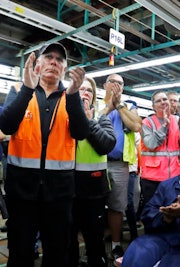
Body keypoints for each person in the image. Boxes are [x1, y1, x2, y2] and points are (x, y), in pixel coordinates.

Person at [0, 42, 89, 267]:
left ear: (65, 68)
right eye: (48, 57)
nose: (53, 61)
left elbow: (80, 132)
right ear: (37, 64)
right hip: (21, 191)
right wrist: (28, 88)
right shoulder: (20, 90)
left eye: (59, 59)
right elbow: (7, 125)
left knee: (57, 252)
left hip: (59, 193)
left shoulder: (69, 96)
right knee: (20, 251)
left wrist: (74, 95)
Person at [68, 76, 116, 267]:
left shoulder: (100, 118)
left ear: (94, 96)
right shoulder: (63, 117)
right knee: (68, 240)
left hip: (94, 192)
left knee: (95, 241)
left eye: (89, 90)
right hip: (67, 191)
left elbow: (106, 144)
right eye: (81, 89)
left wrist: (89, 121)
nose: (85, 93)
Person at [100, 74, 142, 261]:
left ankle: (116, 245)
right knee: (94, 206)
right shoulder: (95, 103)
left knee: (117, 207)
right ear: (105, 85)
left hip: (119, 165)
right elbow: (92, 121)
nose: (116, 85)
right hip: (95, 162)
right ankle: (96, 243)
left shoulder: (129, 107)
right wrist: (109, 105)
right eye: (112, 82)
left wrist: (119, 105)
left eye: (120, 83)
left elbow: (135, 125)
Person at [140, 90, 180, 208]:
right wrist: (164, 126)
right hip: (152, 178)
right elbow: (151, 144)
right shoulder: (147, 122)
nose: (163, 102)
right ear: (153, 107)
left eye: (165, 99)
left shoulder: (179, 120)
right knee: (153, 212)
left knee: (173, 211)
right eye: (159, 101)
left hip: (175, 176)